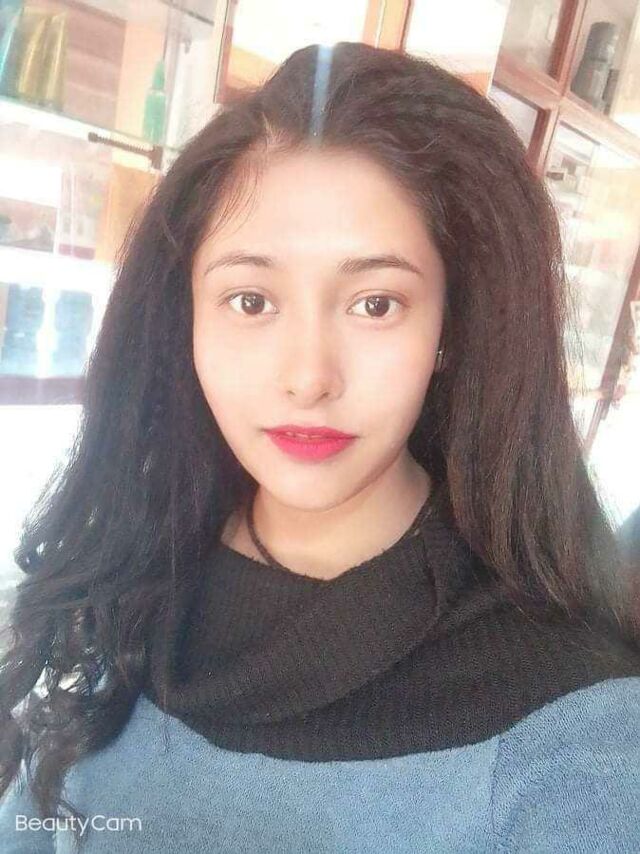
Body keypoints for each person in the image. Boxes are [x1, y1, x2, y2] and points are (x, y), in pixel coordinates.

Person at [1, 40, 639, 853]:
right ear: (182, 317)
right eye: (250, 300)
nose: (308, 377)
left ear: (451, 327)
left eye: (375, 304)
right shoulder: (124, 576)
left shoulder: (578, 746)